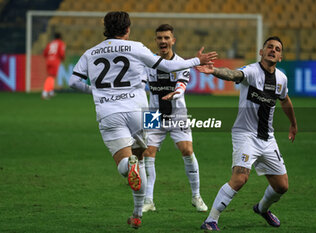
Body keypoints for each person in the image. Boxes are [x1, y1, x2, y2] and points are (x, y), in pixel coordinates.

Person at [68, 11, 217, 229]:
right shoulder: (136, 48)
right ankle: (139, 212)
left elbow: (73, 82)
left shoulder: (91, 53)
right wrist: (196, 60)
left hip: (113, 113)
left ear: (105, 28)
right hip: (141, 112)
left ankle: (189, 194)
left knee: (130, 164)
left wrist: (94, 91)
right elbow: (166, 67)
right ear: (127, 29)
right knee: (141, 158)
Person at [197, 36, 297, 231]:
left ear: (281, 57)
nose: (273, 50)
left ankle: (261, 209)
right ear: (261, 51)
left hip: (267, 138)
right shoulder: (251, 71)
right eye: (269, 47)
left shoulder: (281, 79)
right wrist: (214, 71)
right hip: (245, 134)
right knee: (240, 177)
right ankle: (211, 220)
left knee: (282, 186)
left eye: (277, 49)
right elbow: (233, 74)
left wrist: (293, 124)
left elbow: (284, 100)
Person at [142, 24, 208, 213]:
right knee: (148, 153)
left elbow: (182, 85)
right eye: (159, 38)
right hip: (154, 114)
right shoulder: (149, 64)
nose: (163, 41)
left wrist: (176, 94)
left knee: (187, 150)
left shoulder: (182, 63)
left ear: (173, 40)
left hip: (177, 113)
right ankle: (149, 200)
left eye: (166, 38)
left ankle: (196, 196)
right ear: (156, 41)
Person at [42, 32, 66, 99]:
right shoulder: (61, 43)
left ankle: (51, 92)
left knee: (51, 76)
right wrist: (63, 59)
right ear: (60, 37)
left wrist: (49, 58)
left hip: (48, 60)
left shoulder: (50, 43)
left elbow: (44, 53)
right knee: (51, 77)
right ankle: (45, 92)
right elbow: (61, 53)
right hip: (55, 61)